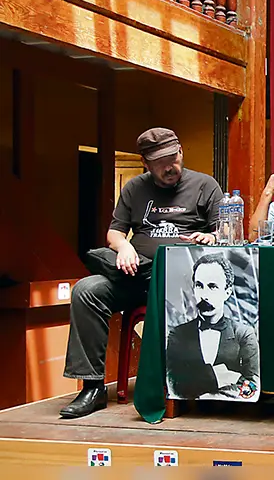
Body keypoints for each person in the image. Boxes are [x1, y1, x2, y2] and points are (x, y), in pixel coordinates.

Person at [61, 128, 223, 418]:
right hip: (136, 274)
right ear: (145, 163)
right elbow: (115, 232)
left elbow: (225, 231)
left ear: (181, 152)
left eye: (173, 158)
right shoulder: (134, 188)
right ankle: (92, 387)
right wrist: (123, 247)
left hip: (183, 281)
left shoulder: (205, 185)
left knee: (173, 274)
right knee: (87, 291)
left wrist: (211, 237)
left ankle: (187, 382)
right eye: (160, 162)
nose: (169, 167)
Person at [166, 253, 260, 400]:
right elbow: (174, 386)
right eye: (199, 286)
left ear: (227, 292)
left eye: (212, 286)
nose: (204, 295)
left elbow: (252, 387)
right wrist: (217, 376)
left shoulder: (244, 334)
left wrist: (205, 392)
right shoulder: (177, 334)